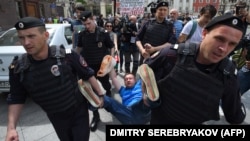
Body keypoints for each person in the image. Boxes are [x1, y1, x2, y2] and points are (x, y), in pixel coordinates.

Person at [5, 17, 105, 141]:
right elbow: (16, 98)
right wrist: (11, 128)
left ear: (45, 35)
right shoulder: (18, 68)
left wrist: (100, 95)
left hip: (78, 111)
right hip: (56, 116)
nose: (26, 42)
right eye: (21, 37)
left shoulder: (67, 55)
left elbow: (87, 74)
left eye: (31, 36)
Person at [144, 14, 246, 124]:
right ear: (204, 33)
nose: (224, 48)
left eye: (232, 44)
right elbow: (145, 69)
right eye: (220, 39)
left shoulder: (228, 74)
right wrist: (147, 93)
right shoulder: (172, 54)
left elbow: (235, 117)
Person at [76, 11, 114, 131]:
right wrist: (74, 59)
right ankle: (96, 116)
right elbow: (78, 48)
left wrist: (111, 59)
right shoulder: (82, 34)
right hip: (88, 68)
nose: (87, 26)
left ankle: (108, 94)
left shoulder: (103, 33)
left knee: (106, 84)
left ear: (93, 19)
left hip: (102, 67)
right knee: (91, 93)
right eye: (84, 24)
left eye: (88, 23)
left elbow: (111, 46)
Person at [97, 55, 160, 124]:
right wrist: (111, 66)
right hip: (128, 115)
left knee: (144, 100)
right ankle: (93, 101)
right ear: (124, 82)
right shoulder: (122, 90)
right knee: (107, 100)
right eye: (126, 79)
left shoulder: (139, 84)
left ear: (135, 80)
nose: (128, 80)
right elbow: (114, 78)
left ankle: (150, 99)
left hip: (142, 110)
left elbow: (144, 73)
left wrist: (147, 60)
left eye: (130, 78)